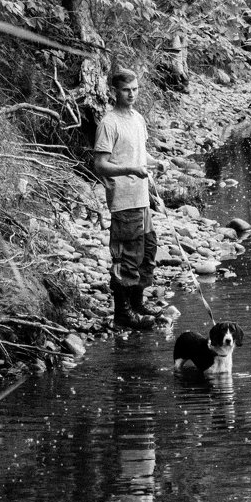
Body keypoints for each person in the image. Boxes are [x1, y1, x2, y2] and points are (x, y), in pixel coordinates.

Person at [94, 68, 165, 330]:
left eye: (135, 88)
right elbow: (100, 165)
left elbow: (139, 155)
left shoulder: (137, 119)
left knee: (147, 252)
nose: (132, 94)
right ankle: (122, 314)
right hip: (123, 201)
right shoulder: (108, 123)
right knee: (126, 258)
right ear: (115, 92)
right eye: (126, 90)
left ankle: (137, 303)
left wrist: (156, 163)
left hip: (142, 199)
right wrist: (129, 170)